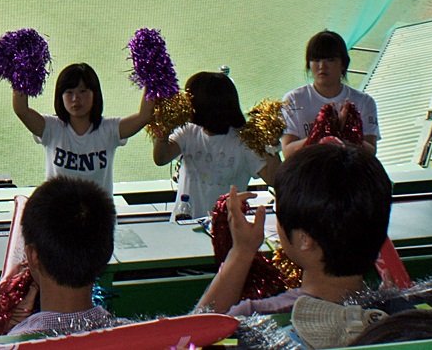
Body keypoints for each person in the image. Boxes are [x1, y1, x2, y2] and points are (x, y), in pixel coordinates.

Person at [196, 142, 392, 316]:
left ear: (304, 239)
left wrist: (241, 252)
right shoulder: (393, 311)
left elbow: (189, 340)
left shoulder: (257, 317)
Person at [151, 71, 280, 222]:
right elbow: (161, 158)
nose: (185, 104)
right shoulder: (188, 132)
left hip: (225, 231)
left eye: (190, 98)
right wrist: (162, 134)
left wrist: (272, 145)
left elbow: (274, 179)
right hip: (183, 224)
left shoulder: (244, 142)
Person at [12, 62, 153, 196]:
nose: (76, 98)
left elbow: (144, 116)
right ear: (60, 96)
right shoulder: (51, 128)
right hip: (56, 216)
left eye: (83, 91)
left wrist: (152, 74)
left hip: (98, 218)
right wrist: (23, 66)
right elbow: (21, 110)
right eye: (69, 92)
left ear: (95, 94)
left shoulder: (109, 130)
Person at [8, 176, 121, 334]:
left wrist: (8, 336)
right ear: (108, 252)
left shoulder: (13, 342)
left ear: (33, 257)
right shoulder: (144, 338)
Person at [281, 30, 379, 158]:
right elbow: (288, 152)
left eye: (330, 59)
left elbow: (371, 151)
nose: (322, 66)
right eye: (316, 60)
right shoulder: (293, 99)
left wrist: (346, 133)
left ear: (343, 64)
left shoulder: (364, 102)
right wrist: (319, 134)